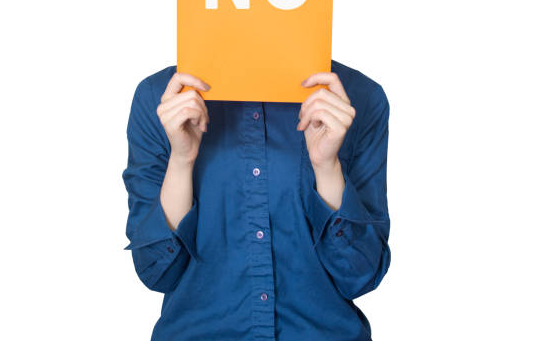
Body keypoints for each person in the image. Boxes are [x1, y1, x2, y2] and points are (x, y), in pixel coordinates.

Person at [122, 58, 391, 341]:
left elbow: (360, 276)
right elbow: (156, 271)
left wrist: (327, 167)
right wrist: (181, 160)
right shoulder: (159, 99)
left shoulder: (360, 97)